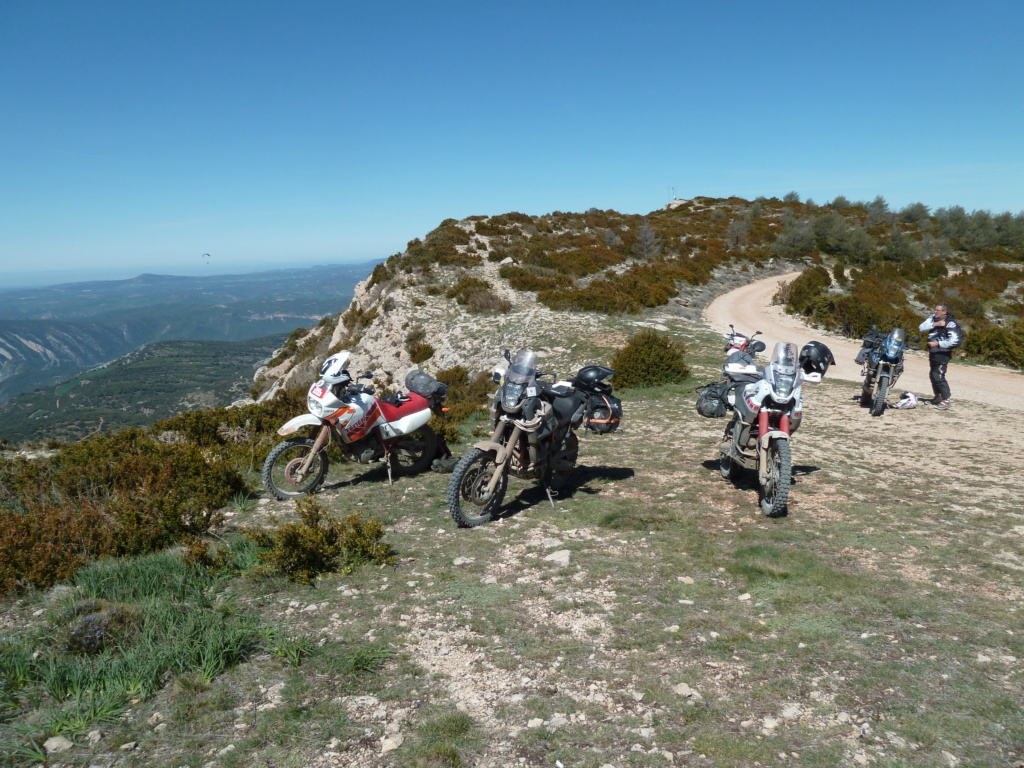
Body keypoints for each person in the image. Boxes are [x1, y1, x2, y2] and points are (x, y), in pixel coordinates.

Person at [918, 303, 962, 410]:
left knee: (938, 375)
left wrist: (938, 344)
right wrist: (935, 324)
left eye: (938, 310)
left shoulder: (950, 324)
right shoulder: (933, 319)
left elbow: (955, 340)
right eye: (935, 309)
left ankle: (946, 399)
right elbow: (921, 327)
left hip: (943, 353)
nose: (935, 312)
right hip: (934, 352)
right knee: (933, 374)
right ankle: (938, 396)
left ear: (944, 312)